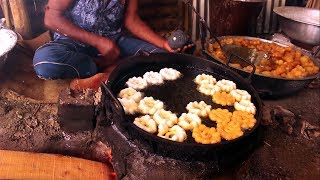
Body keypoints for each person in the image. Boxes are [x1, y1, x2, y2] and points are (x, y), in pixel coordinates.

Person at [33, 0, 190, 90]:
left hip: (115, 40)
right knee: (45, 62)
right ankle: (108, 68)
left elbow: (131, 20)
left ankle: (103, 73)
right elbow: (51, 18)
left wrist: (164, 44)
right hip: (74, 41)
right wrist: (98, 41)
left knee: (165, 59)